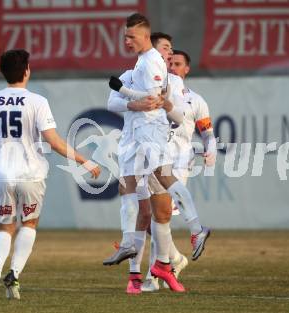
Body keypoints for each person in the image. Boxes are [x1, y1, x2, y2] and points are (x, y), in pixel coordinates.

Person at [0, 49, 101, 299]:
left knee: (5, 227)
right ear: (27, 71)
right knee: (29, 223)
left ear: (3, 72)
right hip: (31, 174)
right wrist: (83, 161)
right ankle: (14, 274)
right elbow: (53, 142)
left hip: (2, 174)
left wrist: (4, 143)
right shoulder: (37, 101)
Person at [103, 13, 209, 293]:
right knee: (133, 197)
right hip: (135, 140)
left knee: (160, 203)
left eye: (172, 54)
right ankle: (137, 267)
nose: (169, 57)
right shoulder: (140, 66)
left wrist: (134, 95)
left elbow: (167, 109)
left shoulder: (155, 68)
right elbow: (115, 102)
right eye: (167, 51)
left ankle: (189, 236)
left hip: (154, 138)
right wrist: (130, 98)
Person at [142, 49, 217, 292]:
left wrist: (211, 150)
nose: (173, 67)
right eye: (170, 63)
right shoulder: (156, 93)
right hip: (155, 159)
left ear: (187, 69)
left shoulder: (196, 100)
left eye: (178, 64)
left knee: (160, 218)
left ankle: (154, 275)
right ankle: (173, 261)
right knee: (154, 220)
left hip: (179, 164)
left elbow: (207, 133)